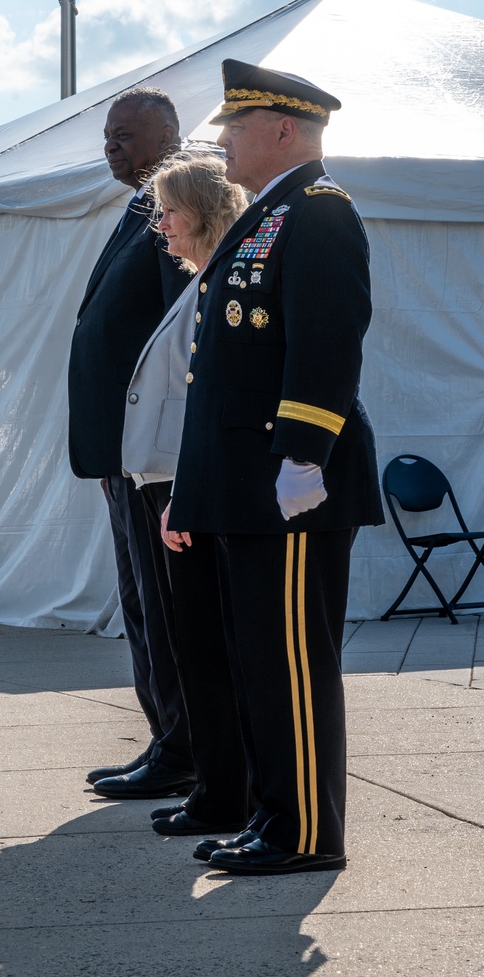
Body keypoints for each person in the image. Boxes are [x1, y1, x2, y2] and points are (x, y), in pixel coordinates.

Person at [165, 58, 384, 876]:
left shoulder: (319, 213)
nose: (221, 139)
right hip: (245, 483)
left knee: (290, 660)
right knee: (259, 657)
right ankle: (274, 815)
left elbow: (327, 344)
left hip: (290, 483)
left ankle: (304, 832)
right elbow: (217, 372)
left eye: (234, 124)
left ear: (281, 129)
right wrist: (194, 490)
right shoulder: (270, 214)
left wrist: (303, 455)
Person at [68, 88, 195, 800]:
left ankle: (183, 747)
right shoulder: (141, 205)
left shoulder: (174, 205)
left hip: (152, 449)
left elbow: (181, 326)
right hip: (122, 451)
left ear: (167, 135)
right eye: (108, 135)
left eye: (125, 134)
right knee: (141, 600)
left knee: (164, 602)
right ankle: (166, 738)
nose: (111, 145)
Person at [120, 152, 252, 838]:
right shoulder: (201, 280)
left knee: (205, 646)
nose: (161, 227)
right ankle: (218, 788)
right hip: (172, 479)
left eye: (169, 212)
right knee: (191, 642)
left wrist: (187, 489)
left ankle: (223, 790)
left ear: (201, 213)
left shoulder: (219, 283)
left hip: (186, 484)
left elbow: (211, 399)